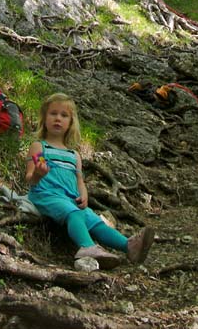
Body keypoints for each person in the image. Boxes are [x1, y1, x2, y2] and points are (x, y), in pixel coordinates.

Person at [26, 92, 155, 269]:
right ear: (44, 117)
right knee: (74, 213)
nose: (58, 118)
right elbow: (31, 177)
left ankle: (129, 246)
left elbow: (79, 181)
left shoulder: (74, 155)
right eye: (53, 113)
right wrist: (39, 174)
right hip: (45, 194)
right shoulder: (39, 147)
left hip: (70, 199)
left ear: (71, 122)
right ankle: (87, 247)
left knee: (95, 221)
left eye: (64, 115)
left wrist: (84, 195)